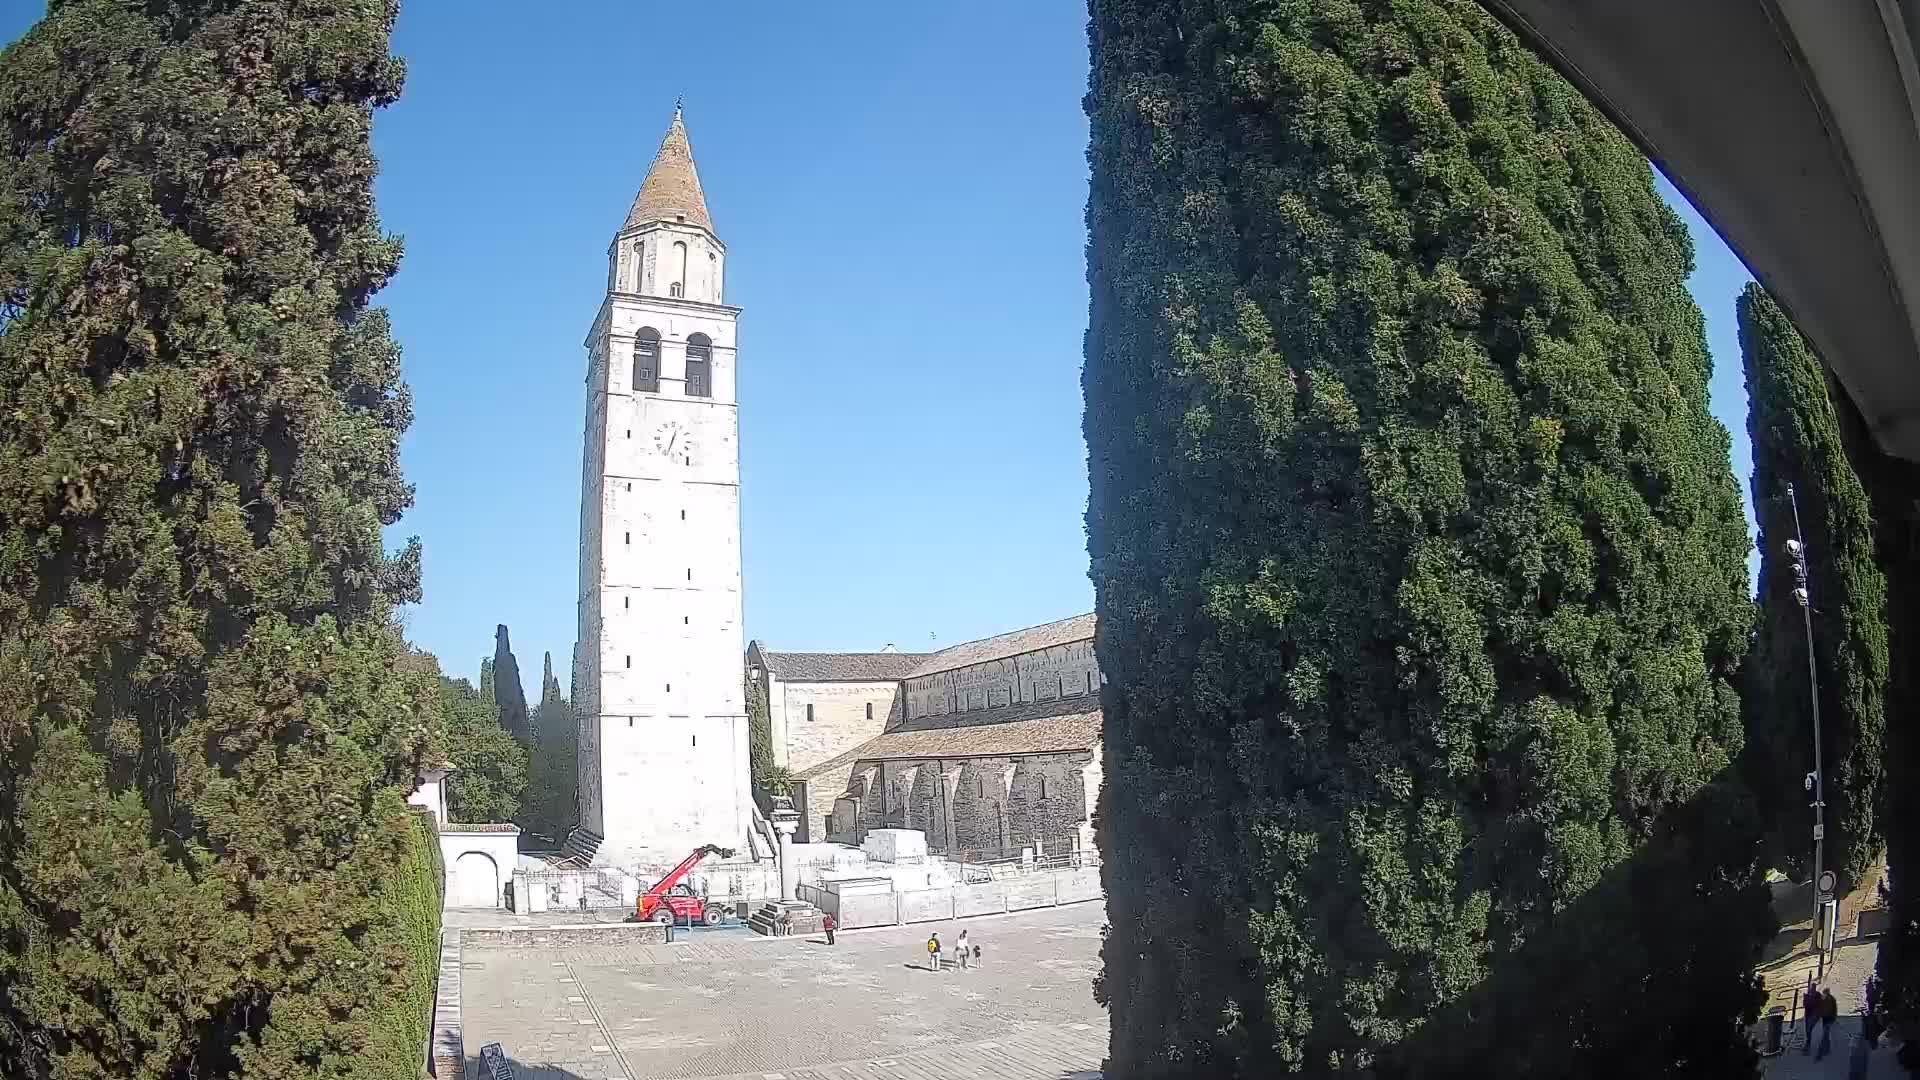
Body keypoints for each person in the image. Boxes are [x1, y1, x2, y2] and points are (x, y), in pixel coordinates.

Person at [1816, 988, 1838, 1059]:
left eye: (1825, 992)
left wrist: (1834, 1017)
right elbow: (1821, 1008)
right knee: (1826, 1034)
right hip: (1825, 1019)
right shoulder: (1824, 999)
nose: (1824, 994)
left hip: (1829, 1018)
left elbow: (1834, 1009)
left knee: (1826, 1033)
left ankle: (1824, 1049)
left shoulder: (1831, 999)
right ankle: (1827, 1048)